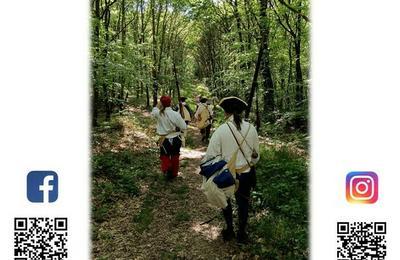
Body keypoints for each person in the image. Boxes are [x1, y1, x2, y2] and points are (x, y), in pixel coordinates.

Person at [204, 96, 260, 243]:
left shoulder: (221, 131)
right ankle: (242, 233)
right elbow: (256, 157)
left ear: (225, 112)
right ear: (241, 111)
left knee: (225, 201)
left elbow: (210, 156)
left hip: (226, 175)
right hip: (246, 174)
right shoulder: (251, 129)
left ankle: (229, 230)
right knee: (243, 203)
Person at [151, 95, 187, 180]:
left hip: (164, 140)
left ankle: (166, 170)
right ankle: (174, 173)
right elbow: (184, 127)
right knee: (175, 156)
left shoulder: (158, 113)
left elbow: (154, 110)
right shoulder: (175, 114)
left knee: (164, 156)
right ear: (170, 103)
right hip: (176, 139)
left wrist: (159, 104)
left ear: (161, 103)